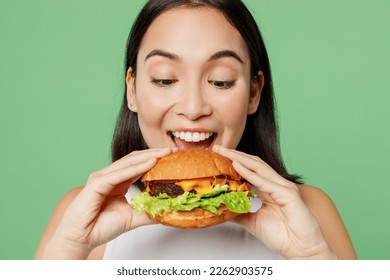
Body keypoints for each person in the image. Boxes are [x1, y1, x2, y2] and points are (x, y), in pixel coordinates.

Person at [35, 0, 357, 260]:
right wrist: (67, 250)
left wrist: (313, 258)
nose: (192, 107)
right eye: (165, 79)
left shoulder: (310, 210)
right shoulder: (81, 215)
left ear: (253, 94)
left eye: (221, 81)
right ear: (132, 90)